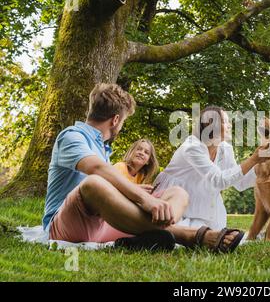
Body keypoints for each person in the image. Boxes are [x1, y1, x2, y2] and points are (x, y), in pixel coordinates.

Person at [42, 83, 250, 252]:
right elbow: (95, 169)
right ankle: (193, 235)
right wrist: (144, 199)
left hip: (108, 223)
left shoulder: (102, 146)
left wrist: (131, 193)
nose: (121, 126)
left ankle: (142, 239)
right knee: (93, 184)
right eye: (123, 121)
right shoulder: (72, 136)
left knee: (178, 192)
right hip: (67, 224)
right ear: (115, 120)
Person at [154, 106, 268, 230]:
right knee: (177, 236)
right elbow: (218, 179)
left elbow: (239, 182)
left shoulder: (225, 149)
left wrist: (263, 165)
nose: (230, 125)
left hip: (203, 201)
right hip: (175, 200)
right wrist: (253, 159)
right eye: (225, 122)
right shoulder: (192, 146)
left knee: (216, 233)